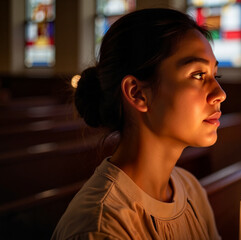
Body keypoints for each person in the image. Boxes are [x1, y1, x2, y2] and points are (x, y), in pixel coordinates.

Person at [52, 8, 226, 240]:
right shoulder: (100, 228)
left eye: (216, 75)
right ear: (137, 94)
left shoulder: (189, 189)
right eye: (197, 75)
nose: (220, 93)